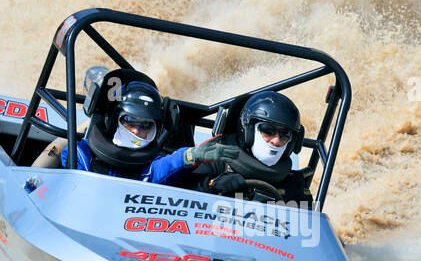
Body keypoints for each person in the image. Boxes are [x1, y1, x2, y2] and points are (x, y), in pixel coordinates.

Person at [148, 90, 312, 203]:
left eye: (285, 135)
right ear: (248, 130)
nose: (276, 141)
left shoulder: (295, 185)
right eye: (268, 131)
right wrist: (211, 185)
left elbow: (309, 233)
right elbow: (166, 200)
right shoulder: (214, 163)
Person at [34, 78, 175, 179]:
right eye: (130, 121)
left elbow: (171, 163)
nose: (136, 131)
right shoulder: (83, 153)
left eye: (145, 125)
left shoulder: (152, 162)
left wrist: (190, 156)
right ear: (114, 120)